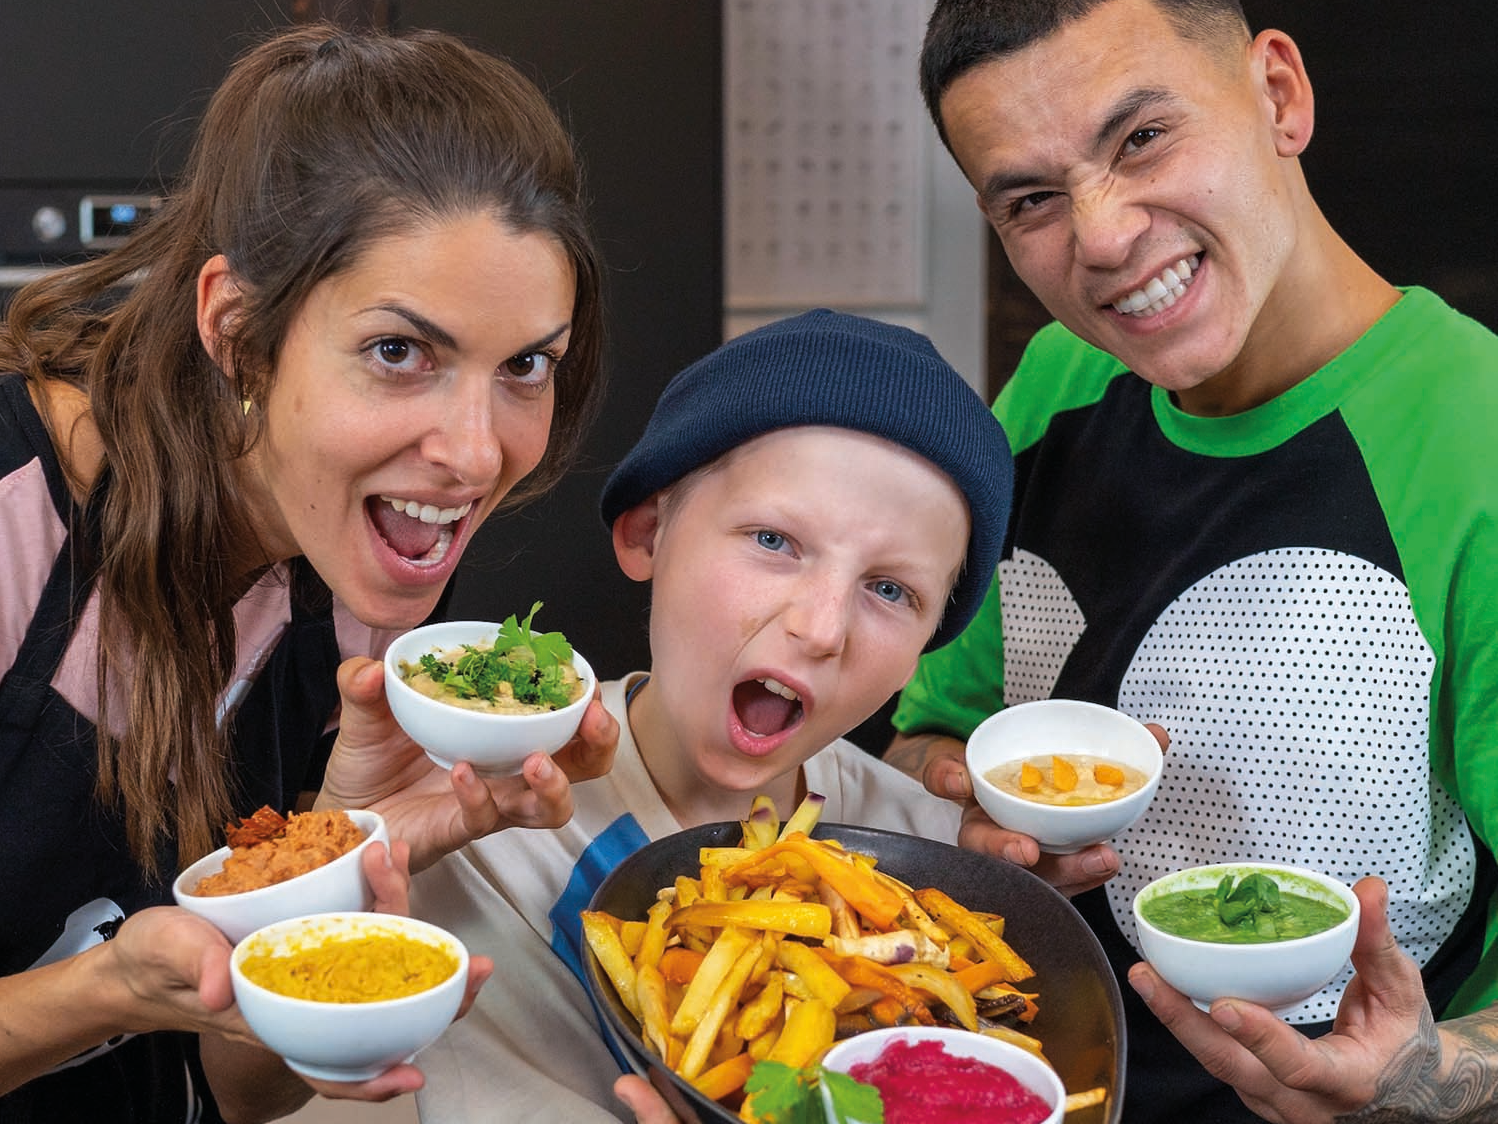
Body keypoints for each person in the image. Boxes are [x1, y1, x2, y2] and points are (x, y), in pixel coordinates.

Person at [882, 0, 1498, 1121]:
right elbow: (936, 731)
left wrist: (1416, 1076)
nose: (1103, 235)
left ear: (1278, 96)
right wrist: (971, 815)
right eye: (1031, 200)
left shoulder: (1477, 445)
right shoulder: (1051, 388)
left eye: (1141, 138)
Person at [0, 23, 621, 1123]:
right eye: (400, 352)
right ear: (237, 330)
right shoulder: (15, 521)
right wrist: (104, 993)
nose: (476, 452)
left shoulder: (359, 592)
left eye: (526, 364)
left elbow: (238, 1089)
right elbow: (139, 1002)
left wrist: (334, 844)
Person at [407, 308, 1015, 1122]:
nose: (821, 627)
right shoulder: (480, 825)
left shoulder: (933, 868)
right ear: (647, 532)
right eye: (773, 540)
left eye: (891, 590)